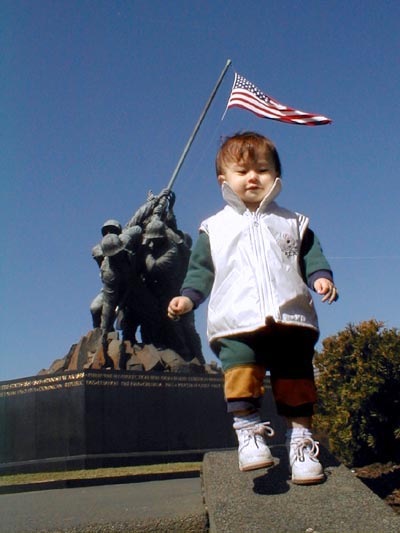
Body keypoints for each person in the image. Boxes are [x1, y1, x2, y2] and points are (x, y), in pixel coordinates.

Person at [168, 131, 338, 485]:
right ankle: (249, 434)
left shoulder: (293, 221)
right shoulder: (213, 228)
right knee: (242, 377)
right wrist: (188, 298)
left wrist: (320, 277)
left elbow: (311, 255)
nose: (253, 177)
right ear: (224, 180)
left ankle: (300, 443)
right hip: (236, 322)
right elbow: (201, 270)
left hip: (291, 318)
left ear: (276, 175)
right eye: (242, 171)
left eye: (262, 169)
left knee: (297, 383)